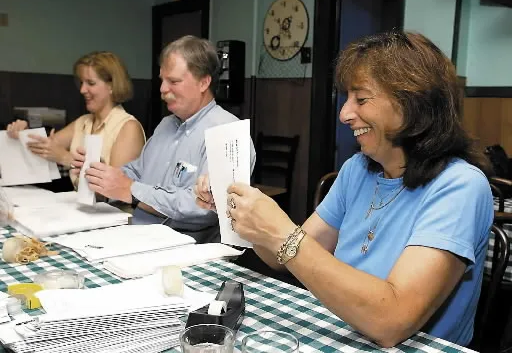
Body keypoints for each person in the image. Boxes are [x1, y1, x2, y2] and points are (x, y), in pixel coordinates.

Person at [195, 31, 494, 347]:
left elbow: (392, 321)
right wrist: (238, 212)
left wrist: (283, 233)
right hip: (347, 333)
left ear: (413, 104)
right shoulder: (357, 170)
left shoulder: (460, 187)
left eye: (361, 99)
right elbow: (283, 258)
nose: (344, 114)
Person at [72, 35, 255, 243]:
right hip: (137, 233)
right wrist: (102, 176)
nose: (162, 89)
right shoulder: (166, 125)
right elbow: (137, 171)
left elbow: (204, 209)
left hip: (186, 248)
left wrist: (130, 190)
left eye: (174, 81)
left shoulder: (226, 133)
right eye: (162, 80)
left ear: (204, 82)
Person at [6, 51, 145, 190]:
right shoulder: (83, 122)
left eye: (90, 83)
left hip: (115, 211)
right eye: (81, 83)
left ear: (112, 86)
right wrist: (23, 134)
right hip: (84, 208)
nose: (82, 90)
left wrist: (66, 158)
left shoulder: (128, 127)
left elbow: (118, 188)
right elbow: (45, 148)